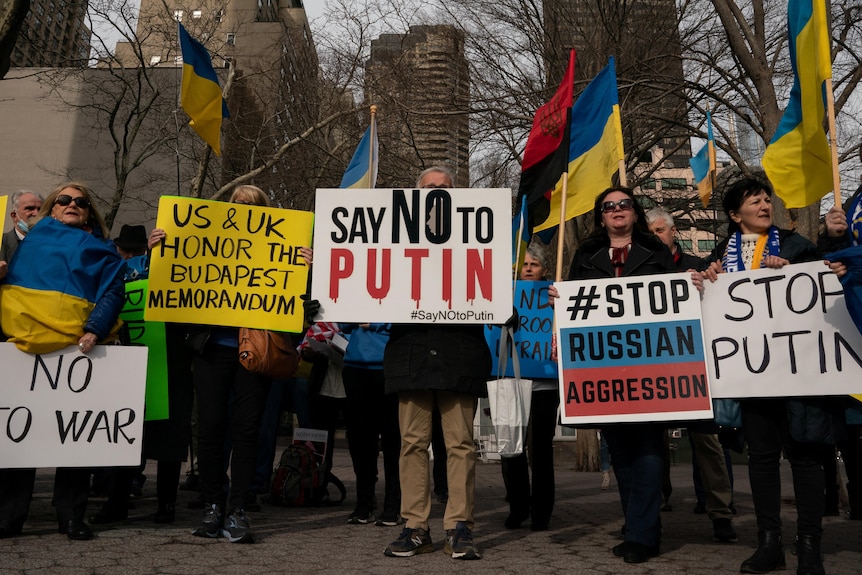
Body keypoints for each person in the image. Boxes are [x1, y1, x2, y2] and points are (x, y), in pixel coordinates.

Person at [549, 186, 697, 564]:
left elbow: (676, 299)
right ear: (601, 216)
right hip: (602, 369)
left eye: (624, 204)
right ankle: (642, 527)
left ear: (635, 213)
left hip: (650, 366)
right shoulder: (585, 254)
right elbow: (570, 304)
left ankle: (640, 533)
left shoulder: (657, 252)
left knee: (648, 446)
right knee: (619, 450)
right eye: (609, 206)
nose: (617, 210)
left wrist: (691, 284)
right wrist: (558, 302)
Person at [702, 177, 826, 575]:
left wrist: (792, 271)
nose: (763, 204)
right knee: (762, 460)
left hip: (796, 372)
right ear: (735, 215)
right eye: (753, 200)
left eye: (766, 198)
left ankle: (809, 546)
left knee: (805, 458)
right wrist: (704, 282)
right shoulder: (723, 252)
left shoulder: (796, 245)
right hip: (752, 376)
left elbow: (822, 289)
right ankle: (769, 542)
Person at [0, 182, 126, 541]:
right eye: (65, 200)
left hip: (77, 349)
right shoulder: (23, 246)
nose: (72, 205)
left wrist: (94, 329)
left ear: (89, 212)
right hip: (25, 348)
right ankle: (10, 517)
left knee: (74, 437)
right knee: (20, 436)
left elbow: (113, 291)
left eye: (81, 202)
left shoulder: (103, 251)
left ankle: (71, 517)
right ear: (52, 208)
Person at [153, 185, 273, 544]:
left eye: (252, 204)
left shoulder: (276, 249)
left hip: (254, 350)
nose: (243, 208)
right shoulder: (206, 240)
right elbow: (167, 278)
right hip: (211, 349)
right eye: (237, 203)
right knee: (209, 426)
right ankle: (212, 505)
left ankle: (238, 509)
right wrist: (159, 251)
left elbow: (294, 294)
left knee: (247, 429)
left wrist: (305, 266)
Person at [383, 166, 489, 560]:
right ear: (416, 194)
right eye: (430, 188)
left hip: (459, 352)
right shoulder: (390, 237)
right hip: (410, 353)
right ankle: (414, 526)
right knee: (411, 444)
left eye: (445, 188)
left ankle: (459, 527)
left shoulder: (480, 237)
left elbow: (492, 289)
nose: (437, 193)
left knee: (460, 444)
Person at [646, 207, 738, 544]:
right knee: (653, 443)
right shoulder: (637, 271)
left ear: (672, 232)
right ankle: (655, 505)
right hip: (655, 369)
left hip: (694, 368)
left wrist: (710, 280)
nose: (655, 236)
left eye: (659, 230)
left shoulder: (697, 266)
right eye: (650, 232)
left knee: (708, 443)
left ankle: (720, 512)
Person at [500, 242, 559, 531]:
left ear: (544, 270)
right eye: (523, 265)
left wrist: (557, 305)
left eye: (533, 265)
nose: (527, 269)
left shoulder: (554, 295)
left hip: (545, 385)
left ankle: (542, 512)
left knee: (541, 451)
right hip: (509, 382)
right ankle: (518, 507)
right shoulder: (504, 295)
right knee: (511, 449)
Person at [340, 321, 402, 526]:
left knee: (393, 439)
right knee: (360, 440)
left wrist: (375, 323)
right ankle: (364, 503)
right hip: (356, 366)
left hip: (391, 365)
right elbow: (343, 324)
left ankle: (393, 504)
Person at [0, 190, 43, 276]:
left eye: (40, 209)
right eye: (29, 208)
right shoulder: (2, 243)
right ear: (14, 216)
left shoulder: (53, 243)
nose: (36, 213)